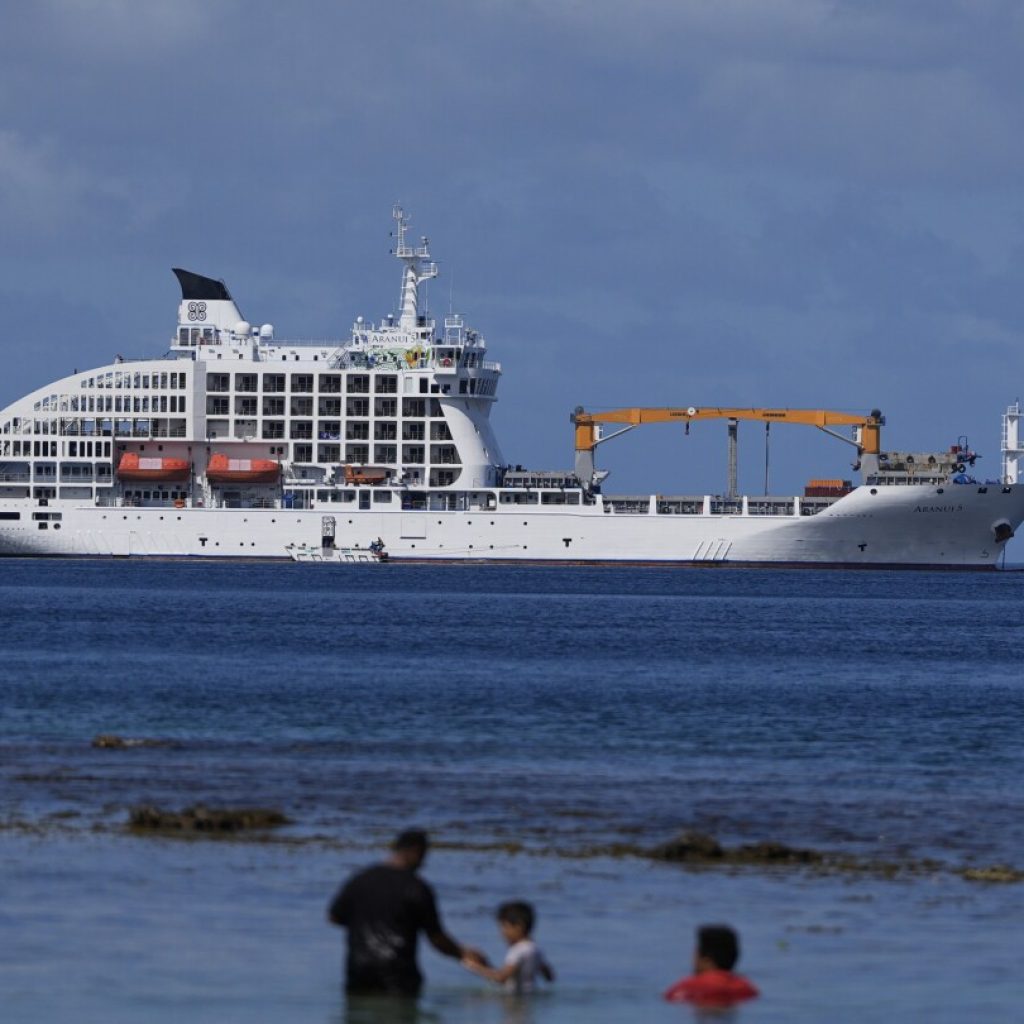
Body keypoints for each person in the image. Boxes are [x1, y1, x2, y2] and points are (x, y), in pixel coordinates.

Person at [328, 829, 486, 998]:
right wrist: (462, 953)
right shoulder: (417, 888)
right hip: (397, 972)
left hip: (359, 969)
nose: (423, 863)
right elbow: (436, 937)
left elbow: (334, 917)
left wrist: (363, 922)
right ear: (415, 852)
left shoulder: (360, 880)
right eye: (423, 856)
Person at [462, 900, 555, 995]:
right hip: (529, 995)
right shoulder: (535, 949)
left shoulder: (517, 951)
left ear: (519, 927)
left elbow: (501, 978)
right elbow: (549, 977)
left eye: (505, 927)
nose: (502, 933)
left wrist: (474, 967)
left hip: (514, 1000)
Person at [663, 924, 759, 1007]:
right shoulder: (747, 988)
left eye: (695, 954)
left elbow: (671, 999)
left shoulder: (687, 987)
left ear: (706, 960)